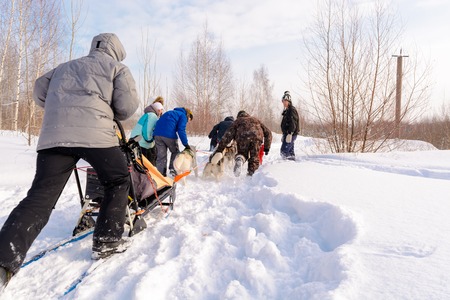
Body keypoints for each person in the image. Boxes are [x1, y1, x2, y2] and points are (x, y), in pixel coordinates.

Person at [0, 33, 139, 291]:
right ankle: (107, 241)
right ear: (117, 51)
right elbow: (126, 108)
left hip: (54, 136)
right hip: (96, 135)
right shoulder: (117, 68)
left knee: (40, 197)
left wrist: (61, 105)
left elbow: (39, 92)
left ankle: (2, 263)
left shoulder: (62, 68)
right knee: (118, 180)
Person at [211, 111, 272, 177]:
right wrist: (267, 147)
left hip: (242, 137)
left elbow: (227, 136)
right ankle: (251, 176)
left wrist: (219, 150)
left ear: (238, 116)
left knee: (242, 154)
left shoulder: (237, 121)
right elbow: (268, 133)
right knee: (254, 158)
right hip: (256, 138)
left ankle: (240, 159)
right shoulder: (256, 120)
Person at [153, 107, 193, 177]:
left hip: (157, 135)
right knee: (175, 151)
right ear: (188, 115)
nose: (187, 122)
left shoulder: (170, 112)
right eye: (188, 120)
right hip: (169, 135)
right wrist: (186, 144)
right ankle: (173, 169)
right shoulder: (183, 116)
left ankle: (160, 174)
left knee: (161, 155)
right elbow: (181, 130)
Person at [130, 100, 164, 165]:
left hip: (138, 142)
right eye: (161, 110)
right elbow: (147, 131)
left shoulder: (148, 114)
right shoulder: (152, 116)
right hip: (143, 144)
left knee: (141, 165)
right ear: (158, 110)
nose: (161, 112)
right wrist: (150, 139)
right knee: (149, 166)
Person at [280, 91, 300, 160]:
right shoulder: (287, 110)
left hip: (290, 134)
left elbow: (293, 122)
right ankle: (292, 166)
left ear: (289, 101)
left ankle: (287, 166)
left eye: (285, 101)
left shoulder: (291, 110)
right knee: (290, 152)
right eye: (283, 101)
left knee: (284, 151)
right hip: (287, 133)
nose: (283, 103)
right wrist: (284, 134)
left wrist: (290, 133)